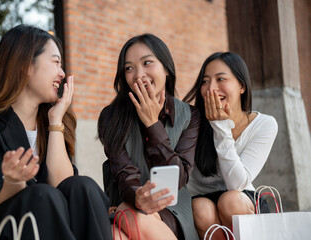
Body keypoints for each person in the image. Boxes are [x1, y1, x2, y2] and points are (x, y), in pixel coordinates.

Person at [0, 25, 112, 240]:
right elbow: (1, 205)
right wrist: (13, 180)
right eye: (55, 62)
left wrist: (55, 122)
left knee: (83, 186)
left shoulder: (50, 123)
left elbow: (64, 187)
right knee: (42, 196)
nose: (62, 74)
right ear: (26, 65)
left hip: (44, 223)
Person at [98, 33, 200, 240]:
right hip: (127, 203)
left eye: (147, 63)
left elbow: (178, 177)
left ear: (166, 68)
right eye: (129, 68)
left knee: (126, 218)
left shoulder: (190, 115)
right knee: (116, 229)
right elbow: (123, 172)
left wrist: (152, 124)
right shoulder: (111, 116)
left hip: (172, 211)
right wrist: (137, 197)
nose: (138, 75)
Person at [183, 52, 278, 239]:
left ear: (242, 86)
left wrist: (220, 127)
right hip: (202, 204)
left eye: (221, 79)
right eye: (205, 81)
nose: (212, 88)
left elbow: (237, 184)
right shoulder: (192, 122)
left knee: (230, 201)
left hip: (241, 201)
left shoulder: (265, 124)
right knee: (200, 207)